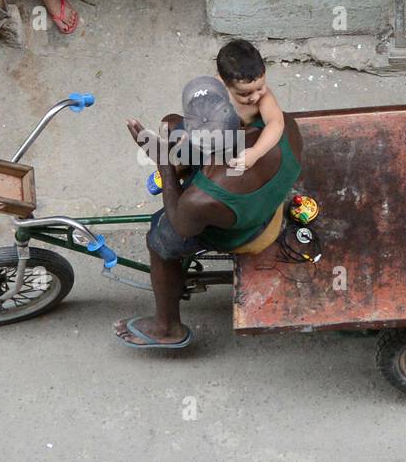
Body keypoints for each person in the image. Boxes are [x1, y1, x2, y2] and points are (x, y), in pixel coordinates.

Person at [114, 76, 303, 349]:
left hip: (250, 226)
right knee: (169, 123)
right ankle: (183, 162)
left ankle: (168, 328)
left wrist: (165, 165)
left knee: (160, 238)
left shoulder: (201, 198)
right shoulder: (274, 126)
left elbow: (181, 225)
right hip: (264, 186)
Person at [215, 40, 285, 173]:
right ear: (225, 84)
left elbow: (276, 123)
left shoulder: (265, 99)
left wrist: (256, 152)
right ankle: (174, 169)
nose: (255, 97)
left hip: (253, 140)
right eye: (245, 93)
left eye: (260, 87)